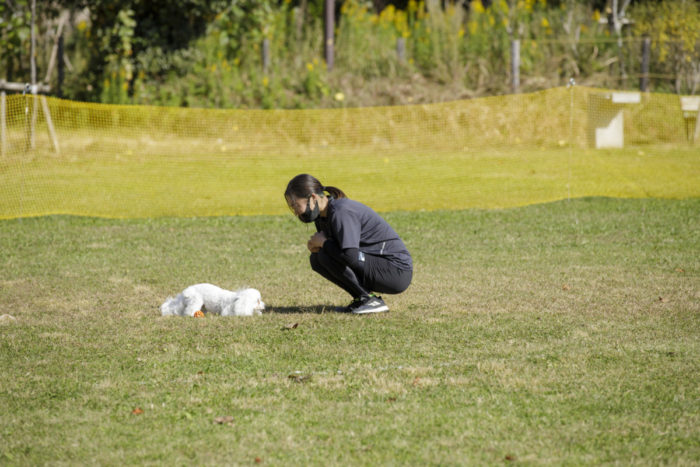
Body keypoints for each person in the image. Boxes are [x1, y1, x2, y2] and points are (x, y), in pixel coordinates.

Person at [284, 174, 413, 314]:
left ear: (313, 198)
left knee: (325, 254)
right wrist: (318, 246)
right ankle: (362, 298)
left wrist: (323, 243)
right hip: (378, 265)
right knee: (317, 258)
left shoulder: (341, 211)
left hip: (396, 271)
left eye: (296, 205)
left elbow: (350, 256)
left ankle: (370, 300)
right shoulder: (322, 216)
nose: (296, 212)